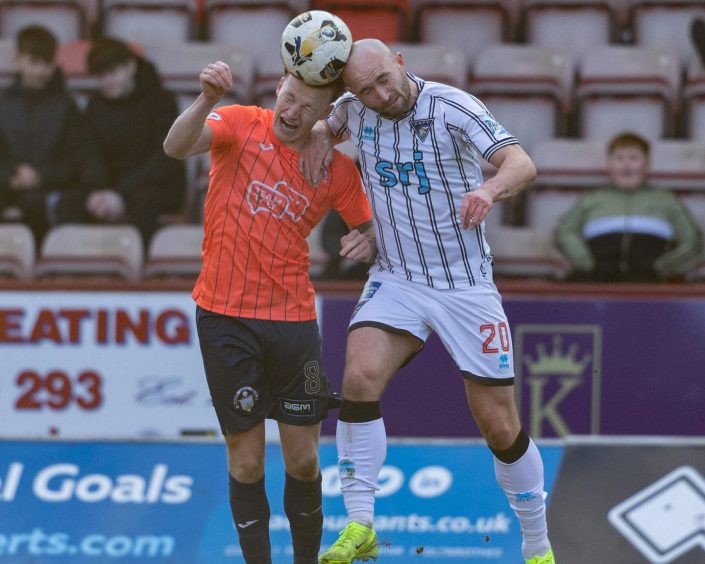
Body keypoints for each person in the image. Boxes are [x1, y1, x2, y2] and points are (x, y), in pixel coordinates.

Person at [300, 39, 555, 564]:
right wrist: (323, 133)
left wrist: (489, 190)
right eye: (364, 90)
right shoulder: (355, 110)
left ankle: (537, 544)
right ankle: (361, 525)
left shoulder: (453, 107)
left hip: (465, 284)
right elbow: (327, 119)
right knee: (357, 379)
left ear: (399, 60)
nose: (379, 95)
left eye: (382, 80)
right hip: (397, 278)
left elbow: (521, 163)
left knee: (499, 425)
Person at [163, 60, 375, 564]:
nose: (293, 111)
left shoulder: (334, 169)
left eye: (308, 106)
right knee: (247, 461)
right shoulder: (237, 123)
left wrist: (365, 240)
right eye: (289, 96)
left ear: (326, 115)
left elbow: (370, 229)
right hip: (224, 317)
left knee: (303, 462)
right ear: (279, 86)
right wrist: (206, 98)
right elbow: (175, 147)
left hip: (294, 325)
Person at [56, 37, 185, 245]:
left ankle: (139, 271)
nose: (106, 81)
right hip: (109, 185)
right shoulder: (95, 104)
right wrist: (98, 190)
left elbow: (165, 157)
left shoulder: (162, 101)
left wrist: (121, 194)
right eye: (100, 76)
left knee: (143, 203)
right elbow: (89, 151)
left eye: (112, 73)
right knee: (67, 203)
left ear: (130, 67)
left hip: (153, 184)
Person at [556, 132, 702, 282]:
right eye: (619, 158)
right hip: (596, 281)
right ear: (609, 164)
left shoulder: (666, 200)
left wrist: (662, 268)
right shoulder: (591, 199)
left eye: (633, 158)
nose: (626, 165)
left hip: (651, 284)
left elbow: (693, 242)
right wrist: (587, 263)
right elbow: (565, 233)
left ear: (647, 164)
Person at [0, 25, 83, 245]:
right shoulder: (2, 102)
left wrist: (40, 176)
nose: (41, 71)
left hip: (49, 186)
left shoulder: (66, 105)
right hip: (7, 182)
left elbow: (74, 159)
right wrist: (11, 176)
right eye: (34, 63)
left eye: (47, 63)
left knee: (34, 205)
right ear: (18, 60)